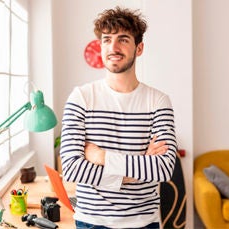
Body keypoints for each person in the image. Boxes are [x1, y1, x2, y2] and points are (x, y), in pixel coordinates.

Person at [59, 6, 177, 229]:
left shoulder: (158, 101)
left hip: (144, 222)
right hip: (91, 222)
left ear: (139, 48)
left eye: (123, 39)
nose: (113, 47)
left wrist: (101, 156)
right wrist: (130, 176)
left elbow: (163, 169)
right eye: (106, 39)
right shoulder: (81, 98)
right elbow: (72, 168)